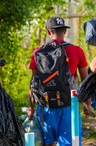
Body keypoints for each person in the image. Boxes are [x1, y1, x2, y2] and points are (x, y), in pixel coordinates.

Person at [28, 17, 89, 146]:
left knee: (47, 142)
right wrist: (87, 104)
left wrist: (31, 107)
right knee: (69, 143)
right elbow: (85, 81)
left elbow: (33, 83)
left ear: (48, 32)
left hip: (46, 105)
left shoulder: (38, 52)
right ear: (65, 31)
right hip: (69, 105)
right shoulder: (77, 51)